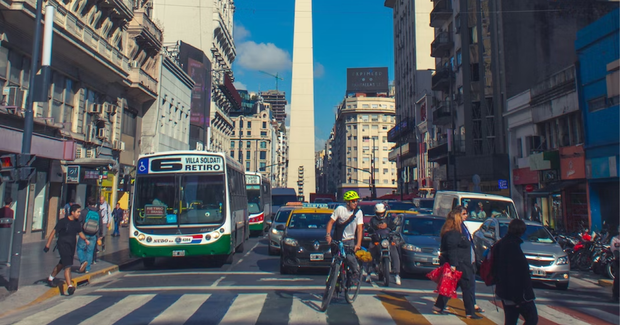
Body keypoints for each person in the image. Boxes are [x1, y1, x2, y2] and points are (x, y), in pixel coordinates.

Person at [433, 206, 481, 319]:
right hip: (461, 264)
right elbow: (452, 248)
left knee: (452, 285)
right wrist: (454, 264)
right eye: (464, 214)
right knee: (467, 288)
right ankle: (470, 313)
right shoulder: (454, 231)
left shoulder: (461, 227)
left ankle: (438, 306)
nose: (466, 215)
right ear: (458, 216)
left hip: (464, 263)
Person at [493, 219, 538, 325]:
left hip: (505, 291)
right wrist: (518, 298)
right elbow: (515, 272)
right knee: (532, 319)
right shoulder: (512, 246)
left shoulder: (502, 243)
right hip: (518, 294)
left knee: (510, 321)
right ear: (521, 231)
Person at [44, 204, 89, 295]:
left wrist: (85, 239)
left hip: (71, 246)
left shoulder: (77, 223)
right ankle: (69, 287)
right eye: (78, 212)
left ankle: (50, 278)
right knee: (68, 266)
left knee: (62, 263)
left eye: (79, 212)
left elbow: (80, 233)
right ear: (72, 212)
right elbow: (53, 232)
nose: (79, 214)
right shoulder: (62, 222)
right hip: (62, 245)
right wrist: (47, 245)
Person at [325, 190, 364, 286]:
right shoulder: (340, 209)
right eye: (353, 201)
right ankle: (335, 280)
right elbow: (330, 223)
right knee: (335, 259)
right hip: (337, 239)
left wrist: (358, 244)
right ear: (347, 202)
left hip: (350, 240)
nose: (355, 203)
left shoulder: (358, 213)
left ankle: (355, 273)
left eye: (356, 201)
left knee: (350, 258)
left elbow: (359, 229)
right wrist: (328, 236)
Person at [367, 203, 402, 285]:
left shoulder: (388, 220)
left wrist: (389, 228)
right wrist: (375, 229)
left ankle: (397, 274)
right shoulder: (373, 220)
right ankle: (369, 273)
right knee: (370, 252)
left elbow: (393, 227)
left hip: (387, 241)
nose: (381, 215)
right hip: (377, 240)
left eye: (382, 213)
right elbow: (369, 228)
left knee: (394, 253)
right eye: (379, 214)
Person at [77, 197, 102, 273]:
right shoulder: (98, 212)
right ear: (95, 204)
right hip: (93, 234)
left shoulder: (84, 211)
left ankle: (83, 261)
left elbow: (78, 221)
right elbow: (100, 224)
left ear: (87, 203)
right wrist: (100, 235)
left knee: (80, 249)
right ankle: (87, 269)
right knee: (90, 251)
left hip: (84, 233)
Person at [611, 226, 619, 302]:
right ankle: (615, 295)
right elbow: (614, 250)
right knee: (618, 277)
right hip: (618, 261)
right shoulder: (615, 239)